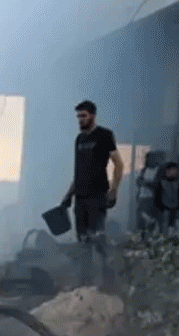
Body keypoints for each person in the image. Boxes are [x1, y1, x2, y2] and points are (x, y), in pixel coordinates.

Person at [60, 100, 124, 289]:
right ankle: (85, 284)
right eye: (78, 116)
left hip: (97, 196)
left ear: (93, 116)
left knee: (99, 239)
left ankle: (109, 283)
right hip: (80, 198)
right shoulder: (79, 140)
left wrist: (113, 190)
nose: (80, 120)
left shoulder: (104, 135)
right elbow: (78, 173)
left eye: (84, 116)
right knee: (83, 243)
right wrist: (67, 196)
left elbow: (119, 164)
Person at [148, 162, 179, 234]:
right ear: (167, 171)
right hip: (163, 212)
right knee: (163, 230)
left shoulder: (178, 183)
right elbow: (157, 200)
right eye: (173, 170)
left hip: (175, 212)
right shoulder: (161, 183)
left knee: (174, 231)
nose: (175, 172)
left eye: (175, 170)